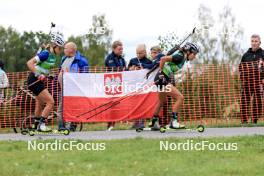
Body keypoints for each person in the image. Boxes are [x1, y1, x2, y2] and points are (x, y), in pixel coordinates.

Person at [148, 42, 199, 129]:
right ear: (188, 52)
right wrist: (161, 72)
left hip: (161, 79)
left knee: (162, 101)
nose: (195, 56)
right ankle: (173, 122)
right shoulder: (180, 56)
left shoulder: (181, 57)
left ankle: (153, 122)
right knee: (180, 97)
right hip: (162, 78)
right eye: (194, 54)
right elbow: (163, 59)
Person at [26, 31, 65, 132]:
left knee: (39, 102)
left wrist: (49, 75)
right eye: (59, 48)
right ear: (54, 45)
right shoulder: (45, 54)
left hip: (37, 80)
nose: (60, 51)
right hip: (34, 80)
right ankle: (41, 125)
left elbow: (43, 69)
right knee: (50, 102)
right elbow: (29, 63)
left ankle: (35, 125)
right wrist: (38, 74)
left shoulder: (52, 56)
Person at [57, 42, 89, 130]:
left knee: (74, 107)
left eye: (65, 48)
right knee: (61, 107)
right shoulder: (64, 58)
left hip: (75, 89)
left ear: (72, 49)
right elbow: (60, 71)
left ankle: (72, 126)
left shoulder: (82, 60)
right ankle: (61, 126)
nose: (64, 50)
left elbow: (85, 75)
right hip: (63, 87)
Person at [239, 34, 264, 124]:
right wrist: (242, 79)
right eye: (252, 41)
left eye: (256, 41)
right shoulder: (246, 55)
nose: (254, 43)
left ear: (259, 43)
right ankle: (244, 121)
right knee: (244, 101)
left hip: (259, 82)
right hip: (247, 82)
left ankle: (254, 121)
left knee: (258, 102)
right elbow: (241, 68)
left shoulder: (263, 54)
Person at [105, 41, 126, 130]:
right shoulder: (109, 58)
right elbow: (114, 69)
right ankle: (110, 124)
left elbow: (125, 69)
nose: (121, 51)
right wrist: (123, 69)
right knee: (111, 104)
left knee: (119, 103)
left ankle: (117, 122)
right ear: (114, 49)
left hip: (120, 84)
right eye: (119, 49)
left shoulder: (122, 59)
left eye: (122, 49)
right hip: (110, 85)